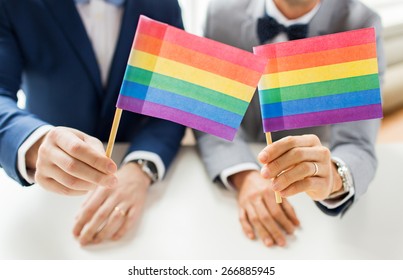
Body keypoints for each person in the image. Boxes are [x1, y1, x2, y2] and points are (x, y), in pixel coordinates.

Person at [196, 0, 385, 247]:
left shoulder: (360, 22)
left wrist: (334, 178)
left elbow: (357, 143)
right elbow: (211, 114)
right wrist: (245, 174)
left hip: (310, 213)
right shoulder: (220, 14)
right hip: (225, 205)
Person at [0, 0, 185, 246]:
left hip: (136, 182)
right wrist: (34, 142)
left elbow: (173, 101)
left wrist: (141, 166)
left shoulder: (164, 6)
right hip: (44, 194)